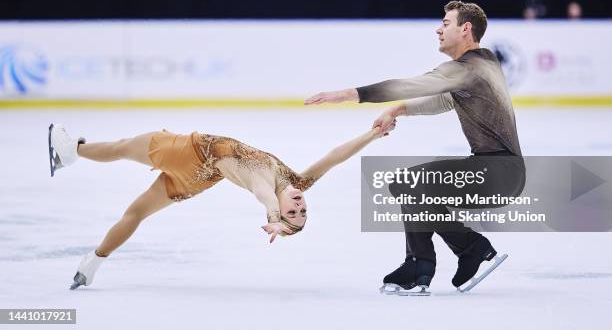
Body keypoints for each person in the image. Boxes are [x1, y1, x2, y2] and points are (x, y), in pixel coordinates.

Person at [305, 0, 526, 294]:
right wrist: (399, 110)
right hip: (502, 172)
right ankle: (450, 254)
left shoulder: (467, 68)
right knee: (410, 186)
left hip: (495, 172)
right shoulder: (485, 63)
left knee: (408, 184)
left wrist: (349, 94)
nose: (438, 29)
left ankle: (442, 256)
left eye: (446, 23)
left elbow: (414, 85)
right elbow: (447, 99)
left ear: (466, 29)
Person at [48, 121, 394, 289]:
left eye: (293, 213)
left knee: (123, 147)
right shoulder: (297, 181)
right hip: (201, 176)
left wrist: (275, 216)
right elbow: (334, 158)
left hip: (193, 152)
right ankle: (92, 264)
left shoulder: (267, 186)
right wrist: (371, 135)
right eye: (303, 212)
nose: (299, 207)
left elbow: (263, 194)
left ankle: (72, 151)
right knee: (137, 213)